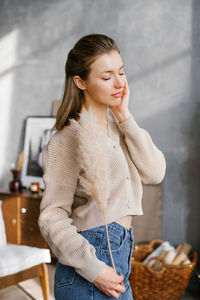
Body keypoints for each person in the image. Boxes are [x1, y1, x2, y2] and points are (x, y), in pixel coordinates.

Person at [38, 33, 166, 300]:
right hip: (90, 265)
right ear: (80, 81)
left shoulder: (120, 127)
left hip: (119, 258)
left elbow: (155, 173)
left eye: (121, 72)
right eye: (107, 77)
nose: (119, 83)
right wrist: (94, 268)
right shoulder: (68, 138)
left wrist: (124, 116)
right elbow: (51, 217)